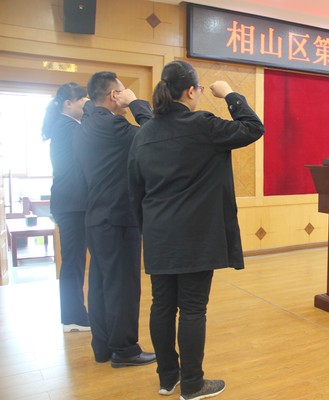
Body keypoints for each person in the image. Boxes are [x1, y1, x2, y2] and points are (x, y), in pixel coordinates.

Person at [128, 60, 265, 399]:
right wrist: (230, 93)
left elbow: (135, 189)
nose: (202, 93)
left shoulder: (144, 132)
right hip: (195, 236)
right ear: (190, 91)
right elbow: (253, 126)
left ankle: (167, 377)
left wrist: (148, 230)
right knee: (192, 309)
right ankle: (191, 384)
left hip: (158, 234)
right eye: (200, 89)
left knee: (162, 306)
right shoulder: (202, 125)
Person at [73, 71, 156, 368]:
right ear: (113, 95)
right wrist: (135, 103)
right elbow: (154, 133)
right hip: (118, 216)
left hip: (96, 216)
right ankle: (125, 349)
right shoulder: (112, 124)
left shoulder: (87, 123)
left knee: (100, 282)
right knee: (123, 284)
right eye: (122, 90)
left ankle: (104, 346)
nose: (125, 93)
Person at [41, 82, 90, 333]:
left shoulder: (65, 126)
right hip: (72, 204)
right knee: (72, 261)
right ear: (67, 104)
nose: (87, 104)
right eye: (83, 100)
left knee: (74, 260)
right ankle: (73, 317)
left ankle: (75, 314)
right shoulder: (68, 127)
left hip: (70, 203)